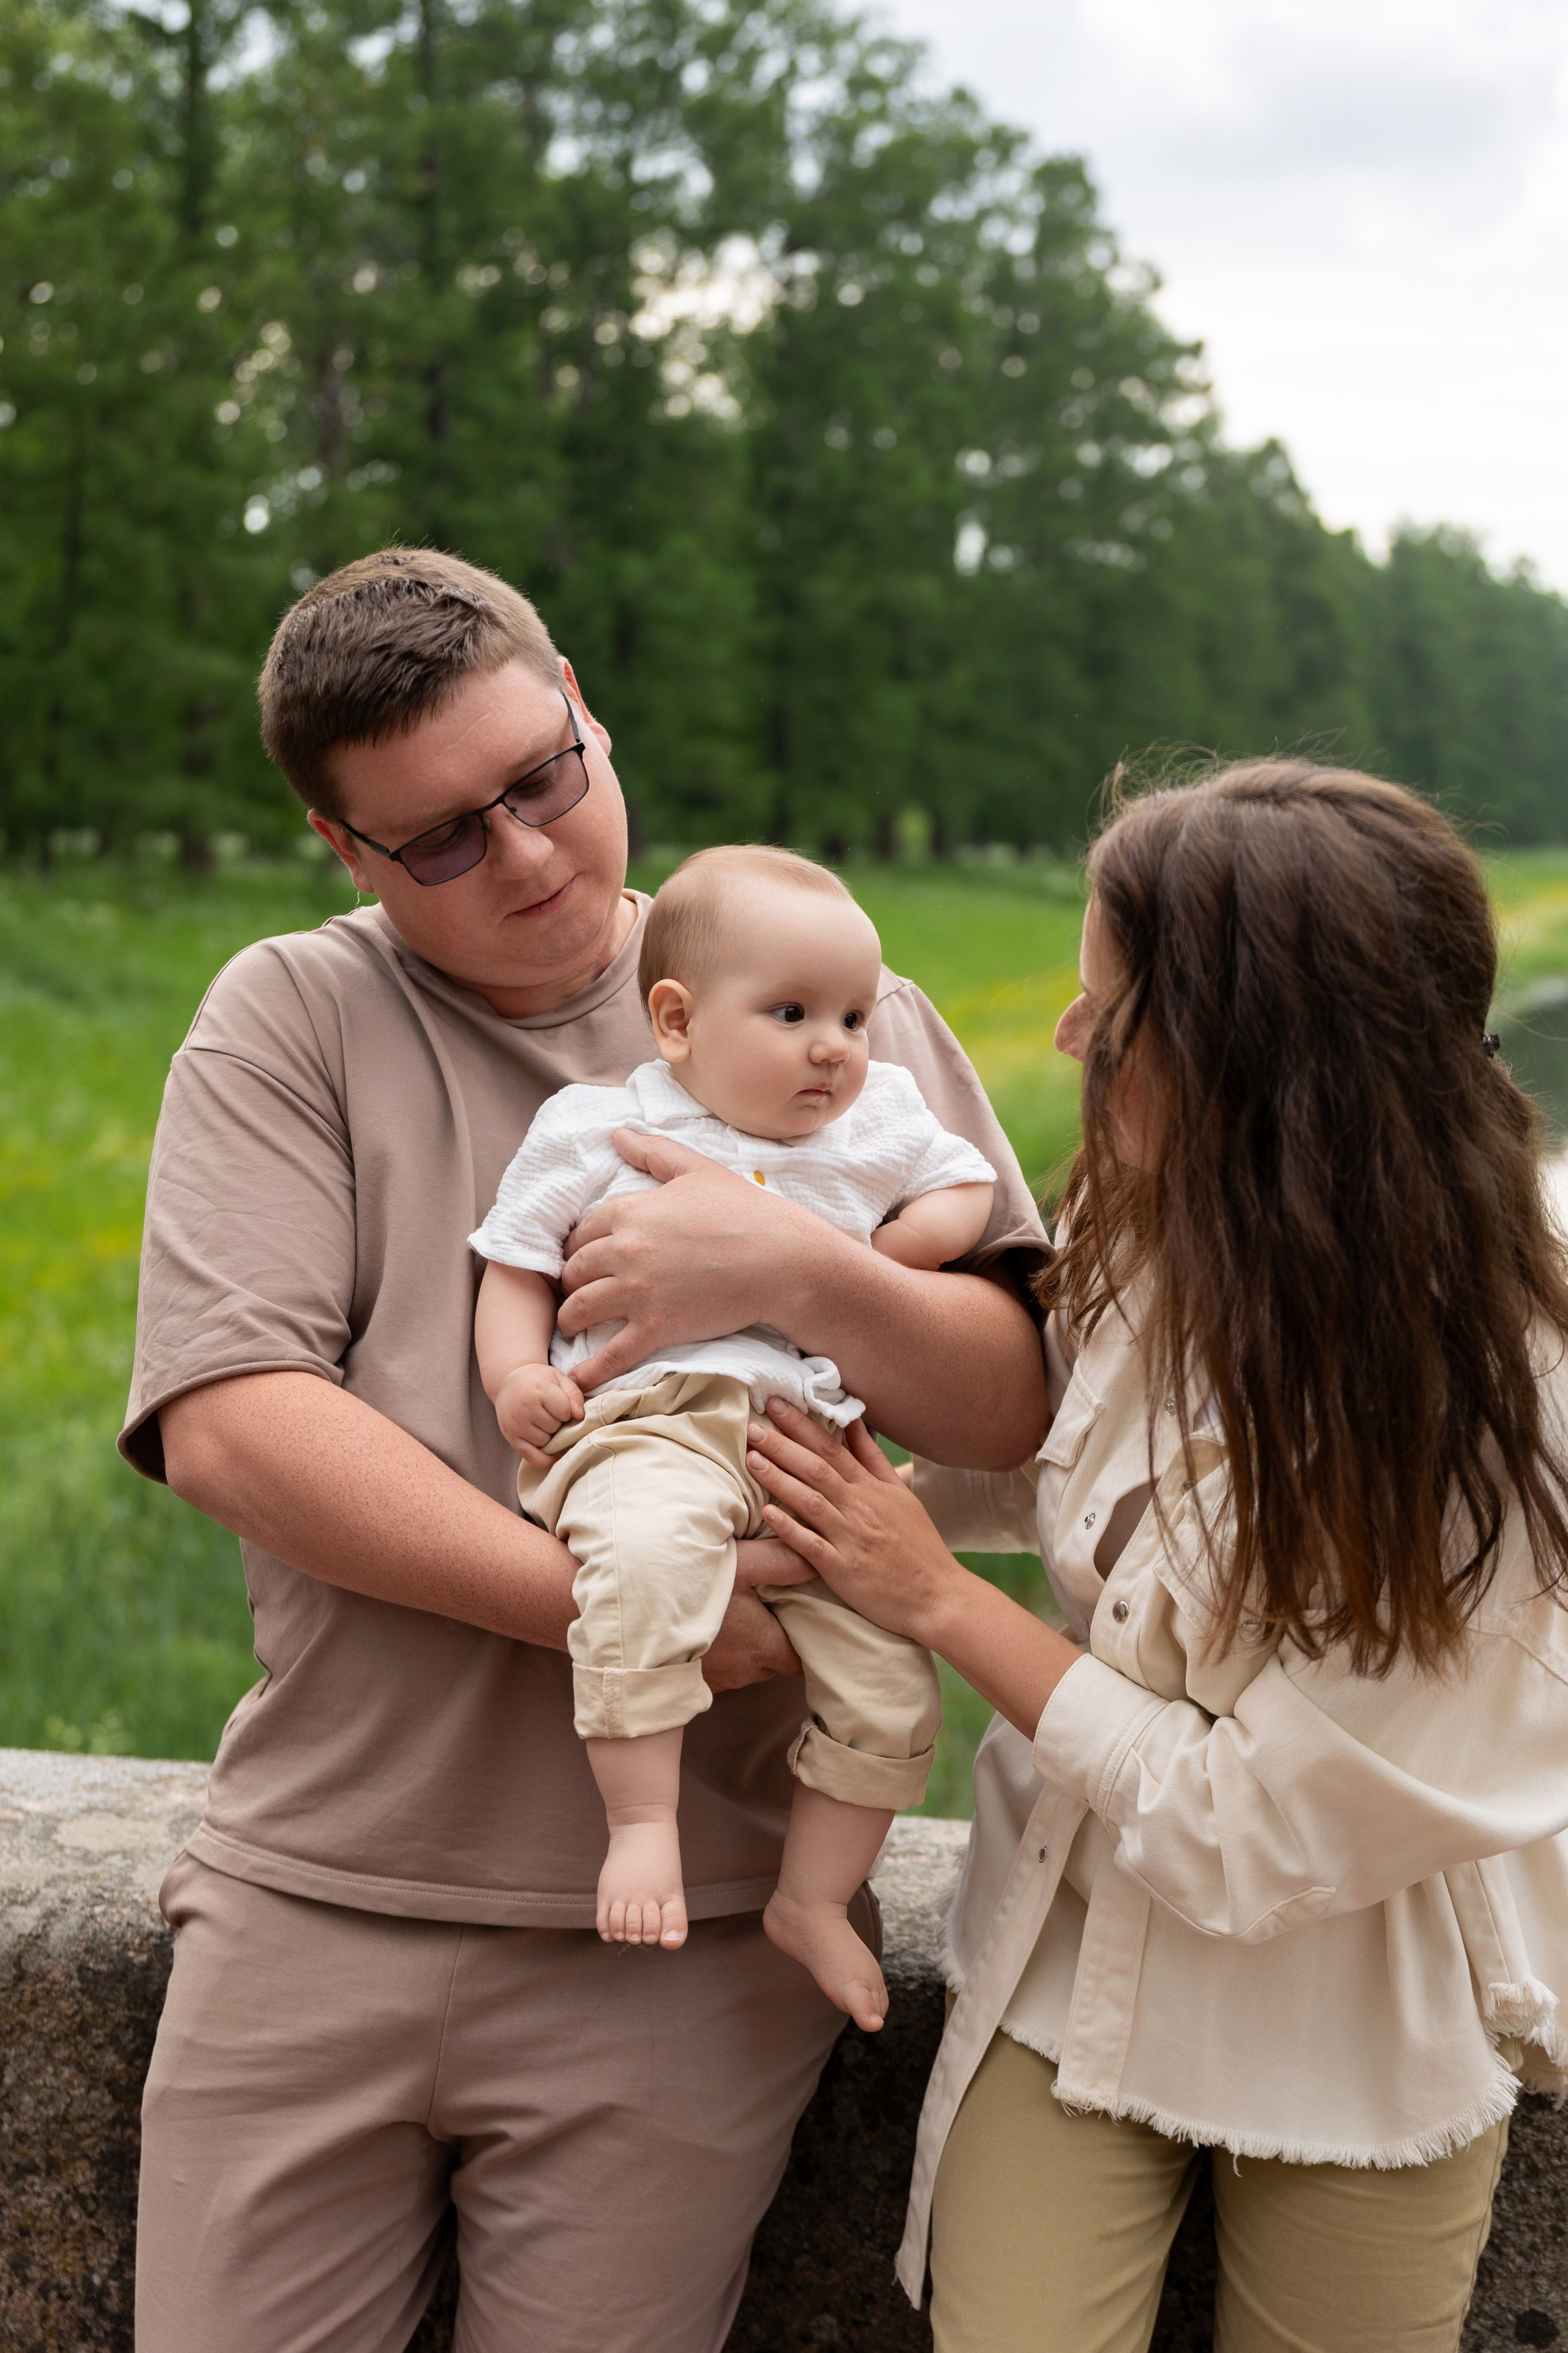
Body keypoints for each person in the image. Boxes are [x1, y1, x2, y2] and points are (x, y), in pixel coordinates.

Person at [119, 545, 1048, 2353]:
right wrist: (624, 1610)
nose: (532, 856)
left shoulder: (838, 1008)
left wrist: (794, 1266)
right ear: (348, 851)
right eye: (444, 839)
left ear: (589, 717)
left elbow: (1009, 1399)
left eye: (545, 779)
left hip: (697, 1940)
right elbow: (238, 1424)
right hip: (315, 1898)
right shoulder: (293, 1018)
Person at [743, 761, 1568, 2353]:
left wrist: (930, 1596)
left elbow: (1253, 1822)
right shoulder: (1158, 1227)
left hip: (1370, 2007)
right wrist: (808, 1494)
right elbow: (1066, 1478)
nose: (1065, 1044)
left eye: (1112, 1020)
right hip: (1079, 1954)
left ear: (1260, 1063)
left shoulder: (1511, 1405)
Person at [472, 842, 995, 2025]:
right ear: (676, 1019)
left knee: (889, 1680)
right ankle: (642, 1821)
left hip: (802, 1440)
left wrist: (869, 1257)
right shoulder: (601, 1126)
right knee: (647, 1568)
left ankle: (813, 1896)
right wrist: (514, 1378)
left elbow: (963, 1189)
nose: (838, 1046)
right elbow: (513, 1261)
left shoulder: (881, 1118)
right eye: (796, 1012)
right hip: (648, 1422)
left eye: (858, 1016)